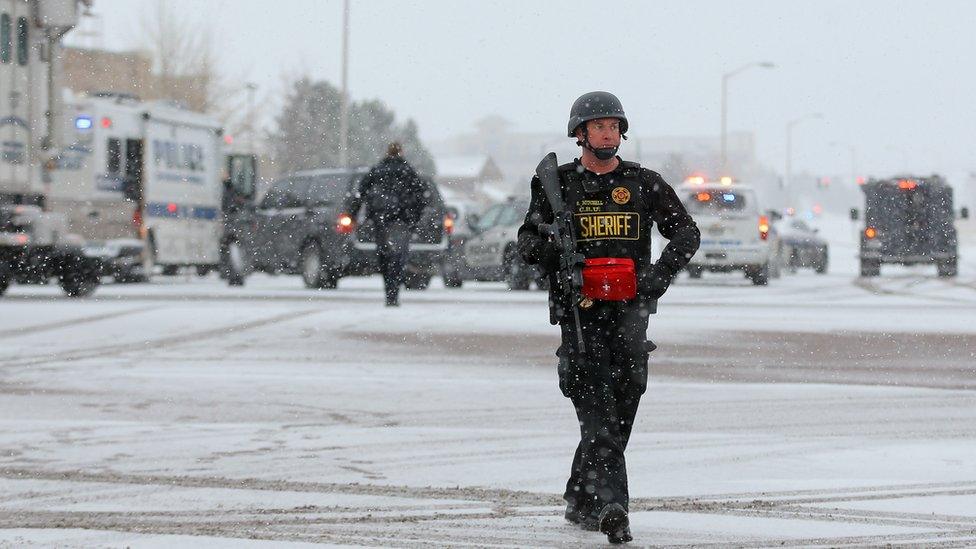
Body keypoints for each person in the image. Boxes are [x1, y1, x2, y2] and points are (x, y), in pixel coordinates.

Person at [517, 91, 700, 544]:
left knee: (624, 402)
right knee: (597, 407)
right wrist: (552, 248)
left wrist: (656, 277)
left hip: (630, 314)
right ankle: (612, 506)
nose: (607, 133)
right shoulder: (556, 184)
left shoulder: (642, 182)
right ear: (580, 134)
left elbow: (686, 232)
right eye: (598, 126)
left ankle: (581, 495)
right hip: (580, 316)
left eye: (614, 126)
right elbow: (525, 243)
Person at [345, 142, 428, 306]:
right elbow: (421, 195)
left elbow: (361, 192)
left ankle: (389, 292)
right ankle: (394, 293)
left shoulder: (378, 170)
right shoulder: (408, 171)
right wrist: (414, 218)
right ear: (401, 153)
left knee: (385, 255)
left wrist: (352, 214)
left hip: (381, 219)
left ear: (387, 153)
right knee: (399, 257)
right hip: (402, 220)